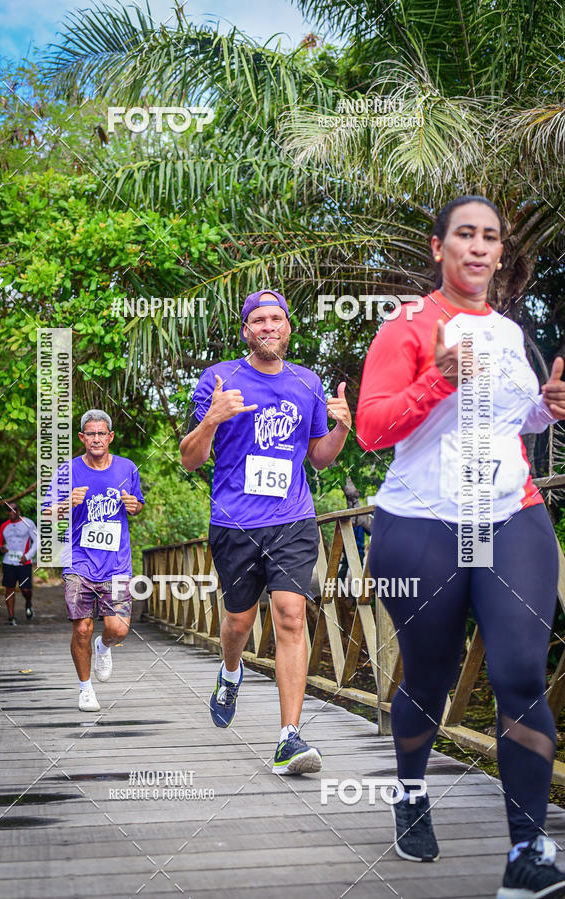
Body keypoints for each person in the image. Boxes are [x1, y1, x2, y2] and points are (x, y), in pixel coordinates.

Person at [356, 196, 565, 898]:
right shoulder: (407, 327)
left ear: (501, 253)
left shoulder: (509, 332)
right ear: (439, 246)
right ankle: (411, 792)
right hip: (421, 524)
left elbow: (512, 420)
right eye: (464, 235)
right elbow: (372, 429)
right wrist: (438, 376)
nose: (478, 247)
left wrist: (547, 408)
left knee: (518, 675)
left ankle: (528, 854)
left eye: (490, 238)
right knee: (430, 678)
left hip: (510, 513)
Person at [180, 289, 352, 774]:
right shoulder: (218, 379)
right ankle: (230, 671)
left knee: (291, 615)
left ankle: (289, 739)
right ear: (246, 331)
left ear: (288, 327)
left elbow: (318, 458)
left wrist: (341, 428)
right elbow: (190, 459)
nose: (269, 326)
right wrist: (211, 419)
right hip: (235, 522)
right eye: (258, 320)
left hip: (293, 519)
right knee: (238, 622)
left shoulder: (307, 382)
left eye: (277, 318)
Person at [43, 410, 144, 712]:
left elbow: (137, 505)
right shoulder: (67, 471)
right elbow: (47, 512)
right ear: (82, 438)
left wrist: (133, 505)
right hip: (79, 562)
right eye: (91, 434)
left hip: (116, 564)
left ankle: (104, 647)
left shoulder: (127, 468)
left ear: (110, 437)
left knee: (119, 629)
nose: (96, 439)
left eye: (102, 433)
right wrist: (66, 503)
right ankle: (85, 689)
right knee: (82, 628)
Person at [0, 503, 37, 625]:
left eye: (14, 509)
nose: (12, 512)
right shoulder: (4, 526)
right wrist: (1, 549)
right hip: (8, 562)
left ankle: (28, 603)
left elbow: (37, 541)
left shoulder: (28, 523)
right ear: (7, 512)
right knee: (9, 589)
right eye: (9, 510)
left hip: (24, 562)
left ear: (19, 510)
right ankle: (11, 617)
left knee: (25, 589)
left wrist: (28, 556)